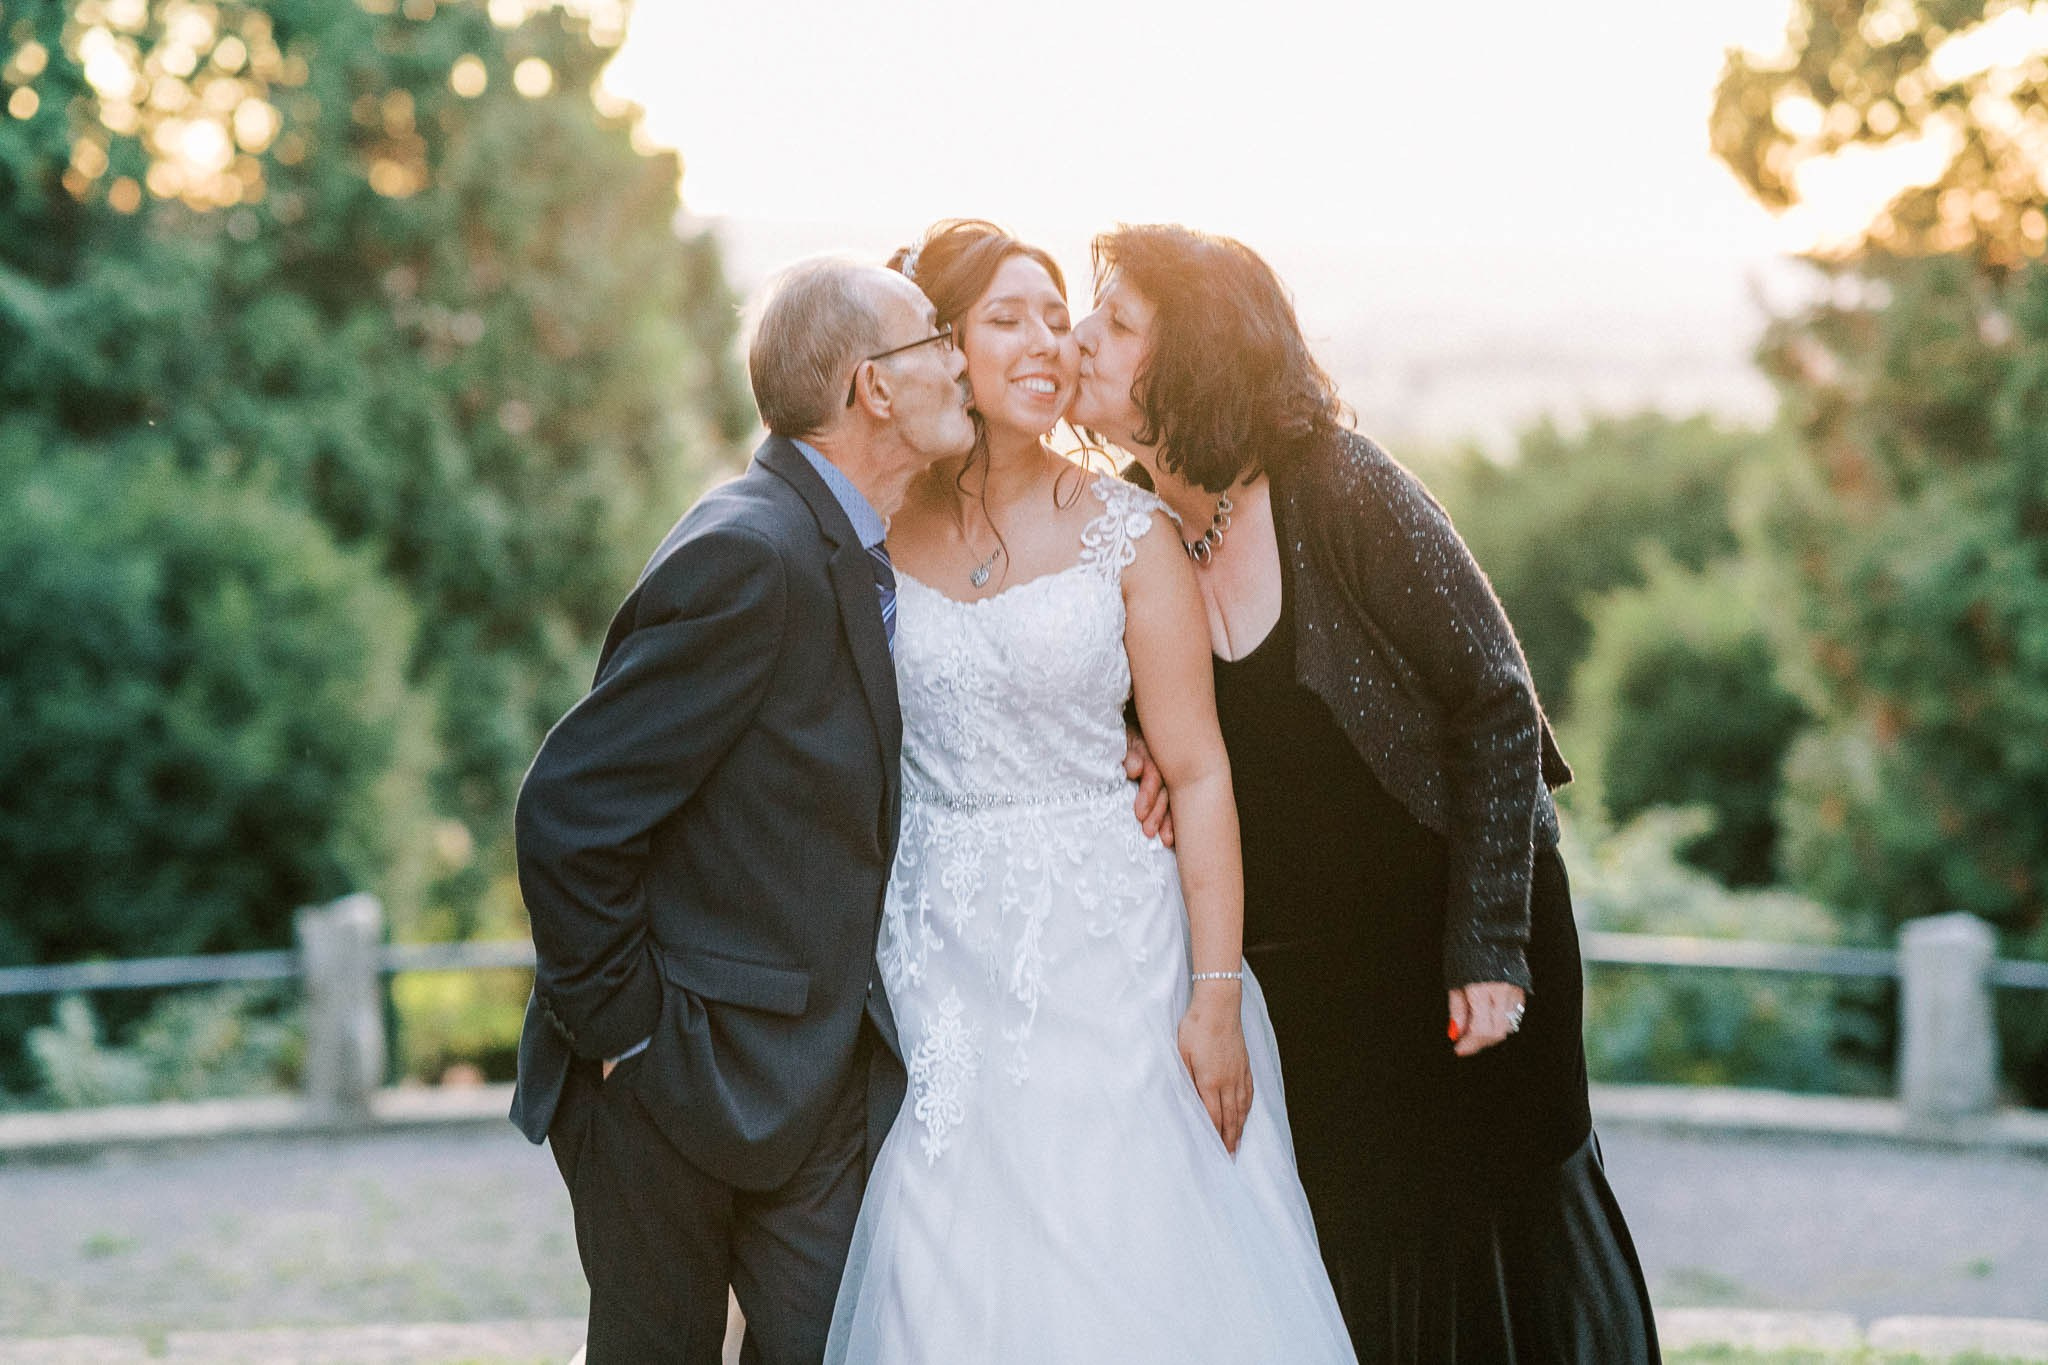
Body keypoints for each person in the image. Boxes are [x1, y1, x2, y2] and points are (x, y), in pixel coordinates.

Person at [1071, 223, 1661, 1362]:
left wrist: (1487, 949)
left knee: (1490, 1258)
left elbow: (1494, 703)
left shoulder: (1337, 486)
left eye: (1115, 319)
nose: (1079, 337)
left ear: (1189, 356)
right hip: (1305, 993)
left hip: (1453, 959)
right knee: (1350, 1262)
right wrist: (1131, 745)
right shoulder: (1130, 530)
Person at [823, 220, 1354, 1363]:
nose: (1045, 341)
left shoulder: (1129, 532)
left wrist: (1213, 998)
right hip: (939, 954)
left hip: (1115, 958)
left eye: (1056, 318)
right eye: (1004, 317)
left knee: (1132, 1255)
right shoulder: (869, 529)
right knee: (945, 1256)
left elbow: (1199, 771)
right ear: (942, 348)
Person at [510, 257, 978, 1364]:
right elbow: (568, 813)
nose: (956, 360)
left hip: (804, 1083)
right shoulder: (750, 553)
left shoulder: (844, 543)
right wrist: (625, 1032)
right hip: (670, 1083)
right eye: (933, 341)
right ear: (871, 387)